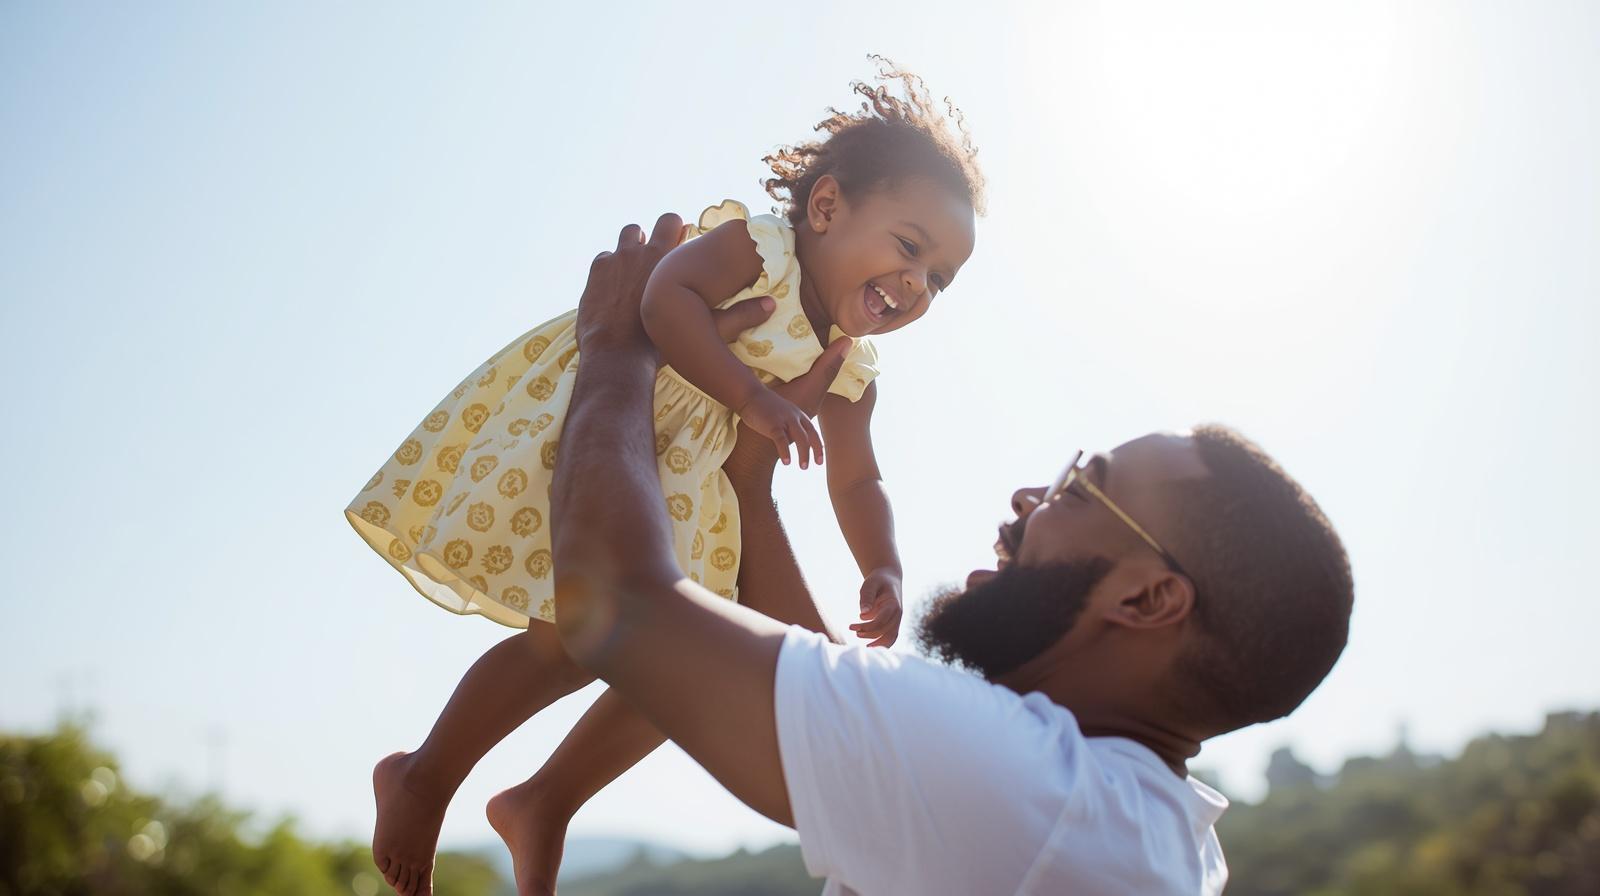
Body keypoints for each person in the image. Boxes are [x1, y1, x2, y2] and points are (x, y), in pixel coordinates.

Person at [547, 215, 1355, 895]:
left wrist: (620, 354)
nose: (1027, 499)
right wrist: (751, 493)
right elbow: (835, 685)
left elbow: (618, 600)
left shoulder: (1042, 800)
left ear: (1148, 600)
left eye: (1080, 488)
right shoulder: (1137, 830)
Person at [343, 60, 983, 895]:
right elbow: (661, 300)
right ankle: (425, 773)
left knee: (684, 661)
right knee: (574, 637)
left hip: (693, 488)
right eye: (909, 247)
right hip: (624, 418)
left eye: (938, 278)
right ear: (826, 208)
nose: (915, 284)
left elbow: (860, 481)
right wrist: (750, 394)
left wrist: (882, 566)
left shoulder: (848, 370)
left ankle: (545, 801)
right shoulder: (763, 251)